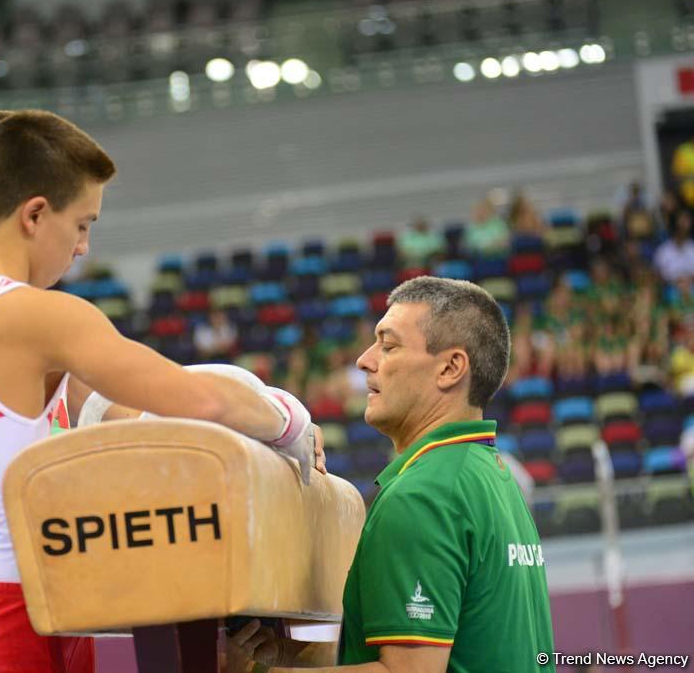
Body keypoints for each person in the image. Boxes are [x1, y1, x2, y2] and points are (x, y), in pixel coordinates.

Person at [0, 110, 324, 673]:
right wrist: (290, 422)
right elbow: (202, 402)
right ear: (34, 215)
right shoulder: (34, 317)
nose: (83, 248)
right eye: (81, 224)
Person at [229, 276, 554, 673]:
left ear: (451, 368)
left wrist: (251, 672)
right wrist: (287, 656)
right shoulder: (495, 480)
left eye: (388, 344)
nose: (365, 359)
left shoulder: (424, 496)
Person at [654, 210, 694, 283]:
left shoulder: (692, 247)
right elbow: (658, 276)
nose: (683, 226)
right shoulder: (663, 251)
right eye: (679, 227)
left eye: (686, 221)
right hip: (670, 290)